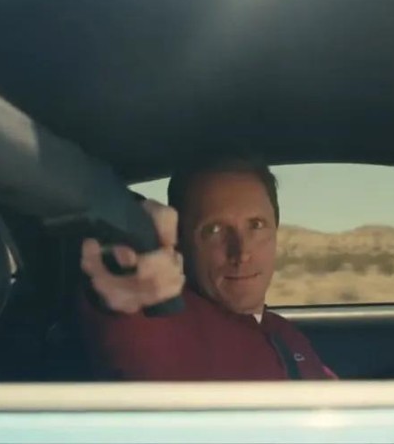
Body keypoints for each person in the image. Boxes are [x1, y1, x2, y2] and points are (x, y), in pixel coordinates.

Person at [77, 156, 337, 381]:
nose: (242, 252)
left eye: (256, 225)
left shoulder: (283, 332)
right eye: (214, 230)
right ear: (180, 241)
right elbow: (123, 313)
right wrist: (126, 258)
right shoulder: (164, 325)